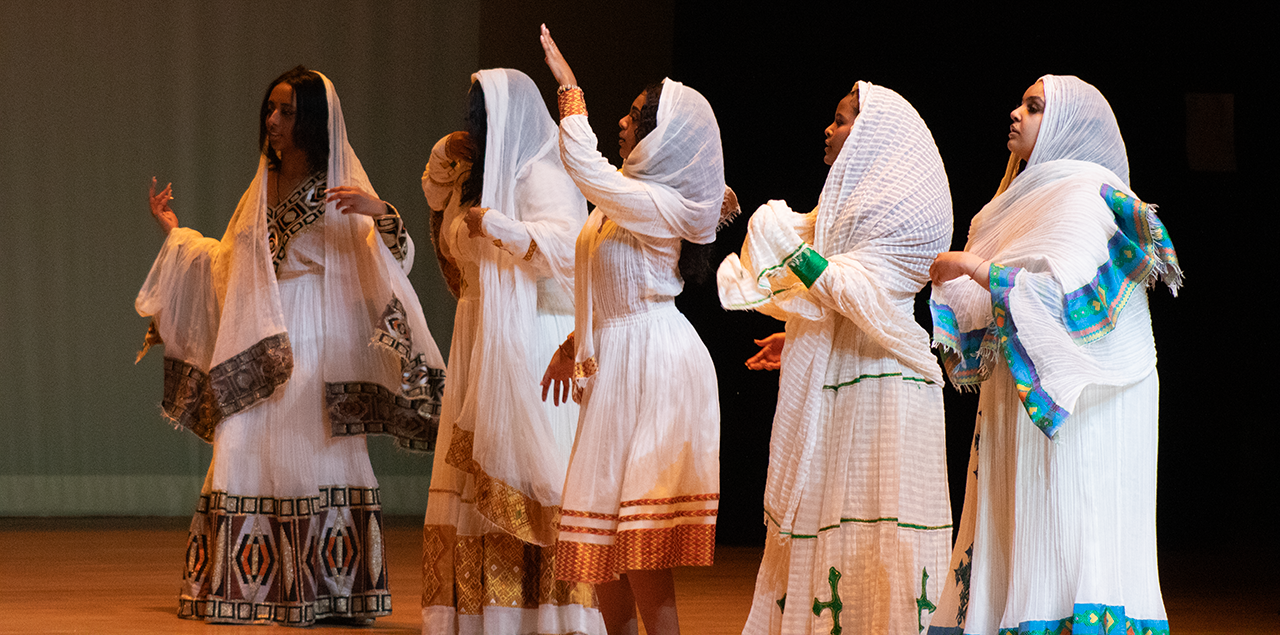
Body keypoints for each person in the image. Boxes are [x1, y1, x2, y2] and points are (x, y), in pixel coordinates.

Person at [137, 66, 445, 626]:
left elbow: (389, 265)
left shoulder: (339, 186)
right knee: (241, 442)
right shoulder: (262, 185)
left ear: (311, 121)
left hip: (316, 337)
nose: (273, 121)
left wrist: (383, 214)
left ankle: (328, 590)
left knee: (313, 453)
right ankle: (246, 589)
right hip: (260, 333)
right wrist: (177, 237)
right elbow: (231, 263)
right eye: (270, 110)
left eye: (286, 112)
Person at [925, 76, 1179, 634]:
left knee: (1073, 521)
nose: (1016, 114)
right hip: (1024, 390)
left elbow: (1065, 300)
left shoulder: (1085, 194)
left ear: (1067, 126)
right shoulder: (1014, 205)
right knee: (1024, 526)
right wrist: (979, 275)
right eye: (1021, 103)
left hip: (1089, 394)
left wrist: (975, 269)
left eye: (1034, 107)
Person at [718, 82, 955, 634]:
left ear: (873, 138)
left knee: (878, 535)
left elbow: (857, 292)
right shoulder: (842, 209)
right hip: (842, 374)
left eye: (844, 120)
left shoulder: (899, 210)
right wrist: (799, 335)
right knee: (829, 524)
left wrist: (784, 242)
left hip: (885, 382)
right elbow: (835, 292)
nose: (830, 128)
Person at [538, 24, 724, 635]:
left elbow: (585, 167)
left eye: (636, 115)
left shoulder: (656, 202)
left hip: (655, 363)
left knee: (638, 544)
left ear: (660, 136)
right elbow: (602, 281)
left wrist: (571, 91)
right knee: (601, 550)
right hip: (619, 359)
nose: (623, 121)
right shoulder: (625, 201)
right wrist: (574, 344)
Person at [419, 68, 605, 634]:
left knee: (531, 468)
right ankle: (477, 615)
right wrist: (442, 154)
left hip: (531, 334)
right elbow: (435, 202)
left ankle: (544, 615)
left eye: (481, 119)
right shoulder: (480, 174)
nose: (474, 130)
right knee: (474, 472)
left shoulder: (541, 169)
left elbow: (568, 249)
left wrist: (500, 228)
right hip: (479, 328)